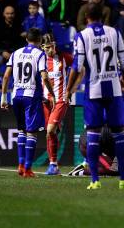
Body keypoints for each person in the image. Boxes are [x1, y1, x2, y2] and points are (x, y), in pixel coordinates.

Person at [65, 4, 124, 190]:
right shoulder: (115, 32)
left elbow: (76, 67)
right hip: (114, 90)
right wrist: (123, 81)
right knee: (119, 134)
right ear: (103, 14)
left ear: (86, 16)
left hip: (93, 91)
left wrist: (68, 90)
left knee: (93, 135)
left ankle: (94, 180)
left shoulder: (82, 36)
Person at [0, 28, 52, 178]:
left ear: (26, 39)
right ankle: (28, 168)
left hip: (16, 96)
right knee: (32, 132)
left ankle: (21, 165)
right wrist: (51, 94)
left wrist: (3, 98)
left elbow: (5, 77)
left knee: (21, 130)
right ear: (40, 40)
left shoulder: (15, 53)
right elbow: (44, 76)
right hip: (31, 96)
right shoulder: (40, 54)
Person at [41, 33, 73, 176]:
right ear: (42, 47)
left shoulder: (64, 57)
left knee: (50, 130)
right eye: (47, 47)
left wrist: (71, 89)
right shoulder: (40, 60)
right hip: (46, 101)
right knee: (50, 133)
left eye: (52, 46)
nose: (50, 50)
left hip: (60, 100)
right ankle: (53, 165)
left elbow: (81, 69)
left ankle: (53, 164)